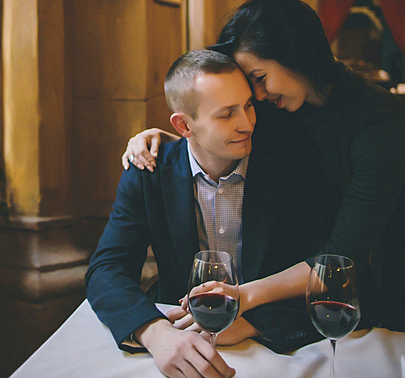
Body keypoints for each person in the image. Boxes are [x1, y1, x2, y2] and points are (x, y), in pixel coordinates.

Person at [124, 0, 405, 346]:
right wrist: (173, 140)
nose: (257, 97)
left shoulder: (380, 126)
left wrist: (245, 297)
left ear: (295, 54)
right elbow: (216, 123)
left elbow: (338, 258)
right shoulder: (288, 106)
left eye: (258, 79)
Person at [86, 49, 335, 378]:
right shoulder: (149, 171)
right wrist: (156, 334)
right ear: (184, 125)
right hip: (181, 335)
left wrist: (252, 324)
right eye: (227, 114)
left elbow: (327, 270)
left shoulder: (290, 168)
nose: (247, 124)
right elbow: (106, 269)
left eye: (248, 105)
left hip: (277, 349)